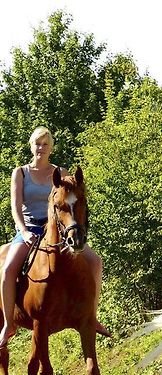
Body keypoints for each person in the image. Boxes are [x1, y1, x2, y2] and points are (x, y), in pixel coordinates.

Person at [0, 126, 109, 349]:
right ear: (31, 146)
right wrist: (23, 231)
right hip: (30, 230)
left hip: (59, 231)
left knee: (96, 261)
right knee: (8, 269)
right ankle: (8, 323)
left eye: (45, 144)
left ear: (51, 147)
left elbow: (71, 203)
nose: (41, 148)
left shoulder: (61, 171)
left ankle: (92, 315)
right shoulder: (20, 172)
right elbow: (15, 207)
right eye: (37, 144)